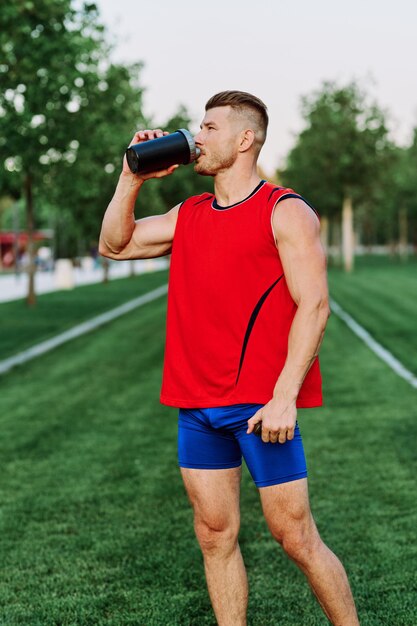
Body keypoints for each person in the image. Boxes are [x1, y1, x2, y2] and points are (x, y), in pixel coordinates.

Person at [99, 90, 359, 626]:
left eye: (210, 128)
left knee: (296, 538)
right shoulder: (188, 212)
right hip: (196, 405)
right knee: (214, 536)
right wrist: (132, 176)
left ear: (245, 140)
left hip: (261, 407)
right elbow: (115, 245)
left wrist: (285, 395)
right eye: (199, 126)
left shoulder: (285, 210)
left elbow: (315, 305)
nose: (197, 137)